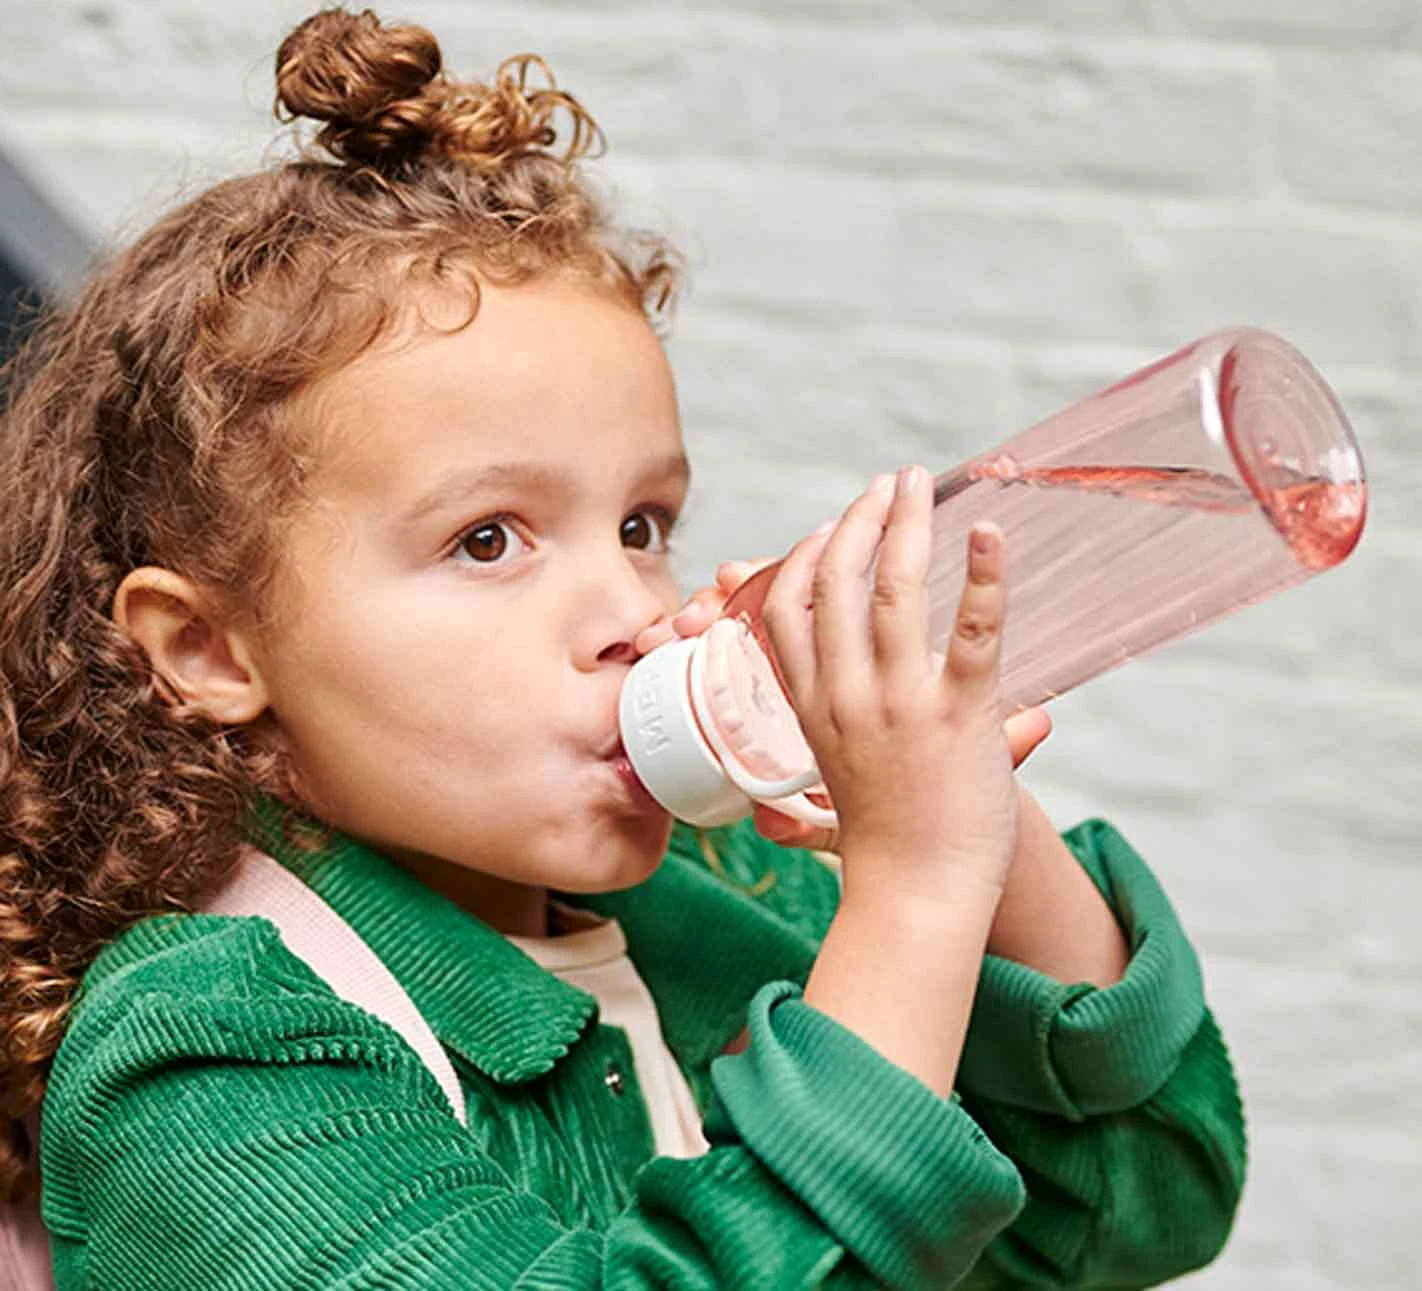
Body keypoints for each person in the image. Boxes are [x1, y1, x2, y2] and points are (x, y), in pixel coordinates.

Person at [0, 7, 1245, 1287]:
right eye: (490, 539)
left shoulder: (719, 904)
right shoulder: (212, 1054)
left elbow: (1138, 1205)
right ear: (207, 648)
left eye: (643, 522)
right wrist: (916, 894)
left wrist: (980, 842)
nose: (631, 613)